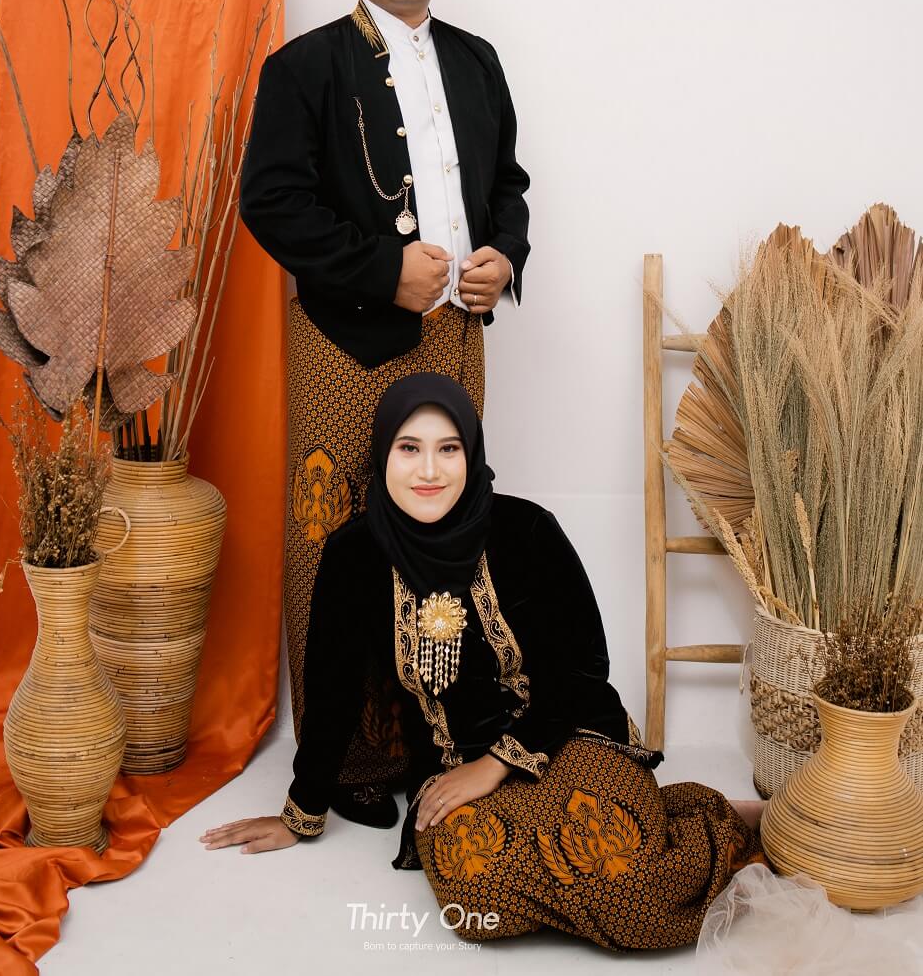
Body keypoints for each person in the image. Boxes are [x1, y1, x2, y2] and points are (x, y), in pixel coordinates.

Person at [202, 374, 759, 951]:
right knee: (476, 899)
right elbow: (332, 691)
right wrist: (300, 814)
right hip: (451, 763)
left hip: (566, 736)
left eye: (448, 449)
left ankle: (716, 827)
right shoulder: (353, 556)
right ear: (383, 453)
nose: (429, 471)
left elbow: (582, 671)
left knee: (624, 882)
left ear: (471, 453)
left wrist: (496, 764)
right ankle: (648, 828)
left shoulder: (527, 530)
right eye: (409, 448)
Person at [239, 0, 530, 826]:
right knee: (334, 538)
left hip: (458, 338)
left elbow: (509, 187)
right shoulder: (306, 67)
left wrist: (502, 258)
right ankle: (348, 757)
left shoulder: (478, 62)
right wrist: (380, 270)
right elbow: (271, 202)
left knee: (442, 530)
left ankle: (434, 731)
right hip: (342, 341)